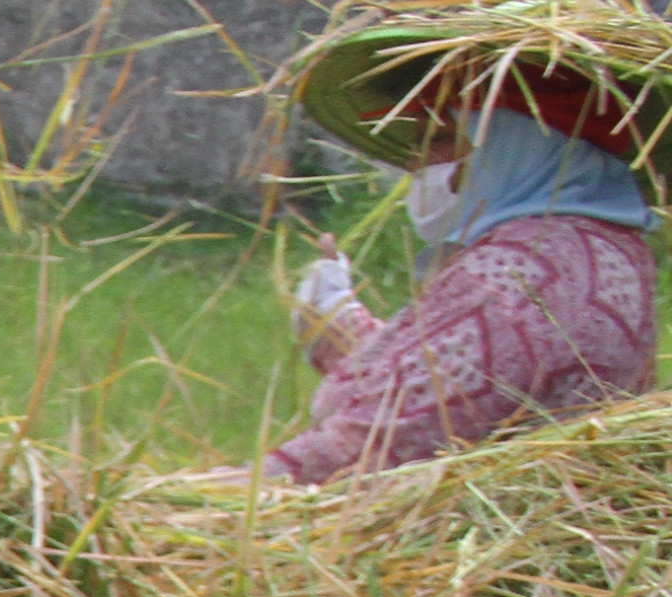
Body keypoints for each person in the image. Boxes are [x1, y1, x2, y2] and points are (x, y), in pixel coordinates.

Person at [265, 90, 658, 484]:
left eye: (438, 141)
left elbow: (370, 446)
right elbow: (466, 384)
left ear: (517, 144)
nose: (416, 165)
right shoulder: (608, 248)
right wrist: (333, 320)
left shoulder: (517, 268)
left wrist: (221, 500)